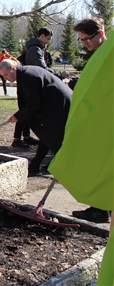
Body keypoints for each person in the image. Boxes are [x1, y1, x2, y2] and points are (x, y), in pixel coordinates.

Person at [48, 19, 112, 284]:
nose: (84, 45)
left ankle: (99, 210)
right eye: (81, 41)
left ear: (101, 34)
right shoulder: (101, 57)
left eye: (87, 40)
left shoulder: (107, 57)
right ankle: (100, 208)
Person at [0, 58, 72, 176]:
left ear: (13, 68)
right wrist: (19, 115)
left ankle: (62, 167)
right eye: (3, 76)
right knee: (47, 135)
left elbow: (33, 103)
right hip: (55, 105)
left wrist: (18, 116)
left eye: (6, 74)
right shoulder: (25, 74)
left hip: (60, 106)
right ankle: (36, 166)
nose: (6, 78)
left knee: (54, 136)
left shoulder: (27, 77)